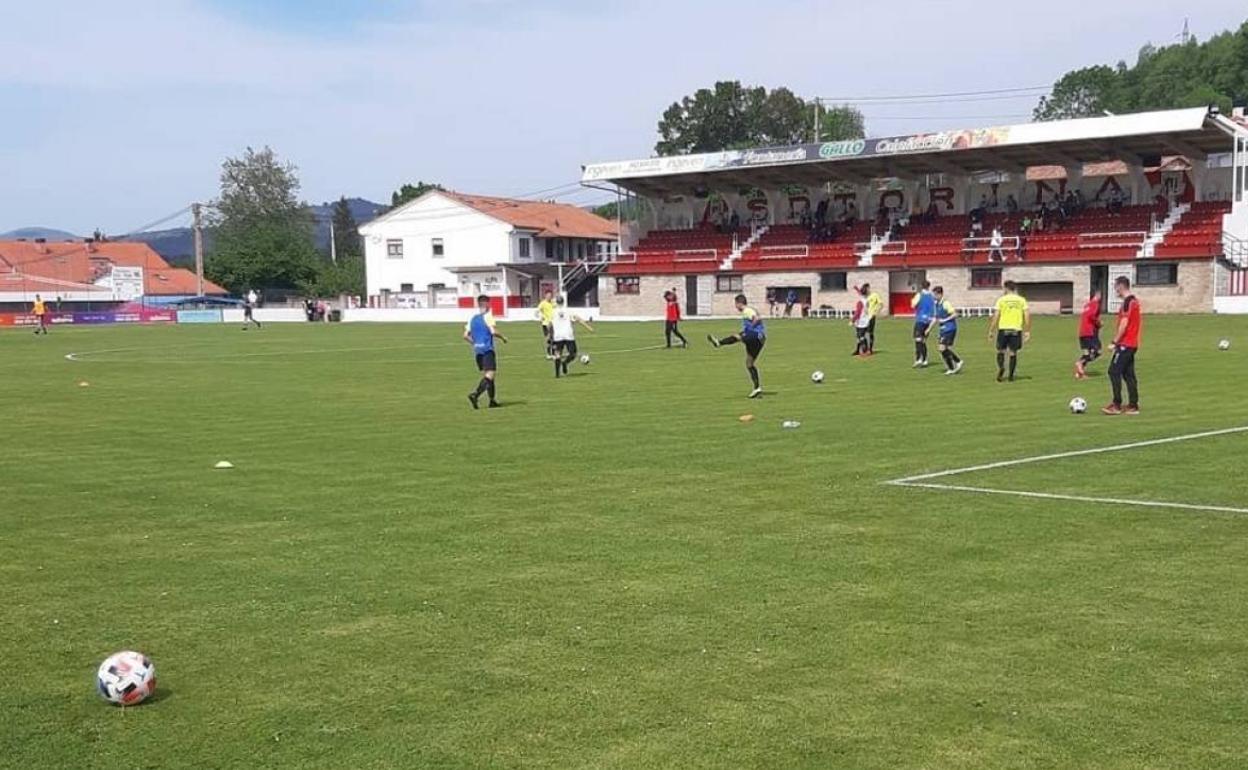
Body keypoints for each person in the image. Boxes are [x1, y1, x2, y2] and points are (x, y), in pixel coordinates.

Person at [707, 294, 765, 399]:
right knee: (749, 364)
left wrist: (751, 328)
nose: (735, 307)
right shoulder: (747, 311)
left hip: (756, 336)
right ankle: (757, 388)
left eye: (735, 304)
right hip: (759, 340)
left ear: (739, 303)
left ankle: (719, 343)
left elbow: (757, 318)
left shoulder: (747, 310)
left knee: (737, 336)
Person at [1102, 277, 1142, 415]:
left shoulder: (1127, 302)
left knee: (1113, 371)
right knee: (1129, 374)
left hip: (1125, 344)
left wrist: (1114, 342)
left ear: (1121, 286)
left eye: (1115, 287)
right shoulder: (1134, 301)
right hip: (1132, 343)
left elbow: (1124, 324)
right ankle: (1133, 405)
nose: (1115, 290)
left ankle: (1116, 404)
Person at [464, 295, 508, 409]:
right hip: (487, 349)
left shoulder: (472, 318)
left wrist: (475, 343)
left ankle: (492, 401)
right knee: (490, 375)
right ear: (487, 304)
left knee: (489, 376)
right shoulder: (488, 316)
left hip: (478, 351)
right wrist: (503, 337)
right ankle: (475, 395)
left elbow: (465, 336)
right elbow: (493, 332)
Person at [987, 280, 1031, 382]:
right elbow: (1027, 315)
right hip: (1016, 329)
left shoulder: (1001, 300)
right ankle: (1011, 375)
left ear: (1006, 288)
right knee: (1013, 352)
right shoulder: (1021, 300)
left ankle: (1001, 367)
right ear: (1015, 288)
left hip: (1003, 328)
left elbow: (996, 315)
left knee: (1000, 350)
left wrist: (991, 330)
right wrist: (1027, 330)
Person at [550, 297, 593, 378]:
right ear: (563, 302)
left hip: (558, 336)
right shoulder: (568, 311)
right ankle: (565, 363)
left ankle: (557, 375)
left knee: (557, 354)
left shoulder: (553, 312)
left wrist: (550, 335)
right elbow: (578, 319)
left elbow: (550, 324)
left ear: (556, 302)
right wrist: (588, 327)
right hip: (568, 335)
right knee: (573, 353)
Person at [928, 286, 963, 374]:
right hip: (943, 329)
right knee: (943, 349)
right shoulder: (936, 304)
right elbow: (935, 318)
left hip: (950, 328)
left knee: (942, 348)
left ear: (940, 294)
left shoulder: (946, 303)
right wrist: (928, 329)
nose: (934, 297)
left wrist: (945, 320)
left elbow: (955, 314)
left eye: (935, 295)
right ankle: (956, 363)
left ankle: (953, 366)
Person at [1074, 289, 1103, 379]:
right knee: (1097, 351)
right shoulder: (1095, 304)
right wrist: (1099, 323)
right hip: (1090, 332)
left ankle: (1080, 374)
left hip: (1082, 332)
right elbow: (1091, 316)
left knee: (1087, 353)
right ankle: (1080, 362)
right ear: (1097, 295)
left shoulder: (1087, 305)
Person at [910, 281, 936, 368]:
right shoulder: (932, 297)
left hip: (920, 320)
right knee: (923, 341)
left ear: (921, 286)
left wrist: (914, 303)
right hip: (929, 321)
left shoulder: (919, 295)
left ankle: (918, 359)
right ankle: (925, 360)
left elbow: (913, 305)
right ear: (929, 287)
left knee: (918, 340)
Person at [850, 286, 872, 356]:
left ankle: (865, 351)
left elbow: (858, 312)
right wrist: (856, 289)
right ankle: (858, 350)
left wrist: (852, 321)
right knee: (859, 336)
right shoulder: (866, 299)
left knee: (861, 337)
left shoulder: (860, 302)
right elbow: (860, 293)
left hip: (861, 322)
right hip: (866, 320)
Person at [536, 290, 557, 359]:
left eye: (550, 296)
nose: (549, 297)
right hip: (546, 324)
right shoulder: (543, 303)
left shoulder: (553, 303)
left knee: (554, 339)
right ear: (545, 296)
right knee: (548, 339)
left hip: (553, 323)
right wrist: (541, 317)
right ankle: (548, 354)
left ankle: (553, 354)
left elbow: (556, 311)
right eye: (548, 295)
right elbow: (536, 312)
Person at [864, 283, 884, 353]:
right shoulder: (865, 297)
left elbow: (881, 304)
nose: (866, 290)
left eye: (867, 288)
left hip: (871, 316)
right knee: (863, 332)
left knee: (870, 332)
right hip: (865, 317)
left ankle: (870, 349)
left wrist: (876, 312)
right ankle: (865, 348)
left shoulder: (875, 295)